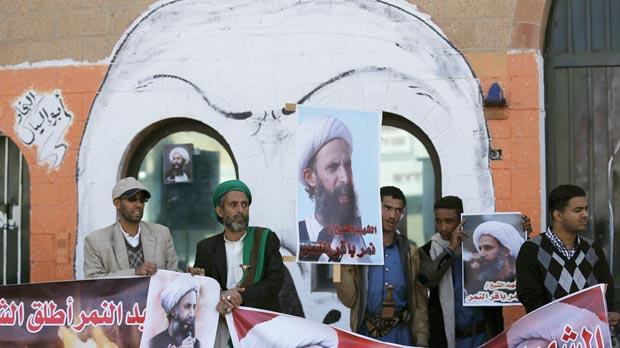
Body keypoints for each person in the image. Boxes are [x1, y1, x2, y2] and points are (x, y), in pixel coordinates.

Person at [418, 196, 532, 348]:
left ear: (461, 220)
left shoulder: (480, 249)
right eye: (438, 221)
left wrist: (523, 234)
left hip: (483, 334)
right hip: (449, 338)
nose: (443, 227)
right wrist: (450, 248)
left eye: (449, 221)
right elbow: (428, 279)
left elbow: (514, 267)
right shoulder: (428, 250)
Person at [336, 186, 428, 346]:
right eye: (387, 208)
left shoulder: (409, 251)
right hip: (366, 334)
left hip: (401, 333)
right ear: (375, 207)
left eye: (398, 210)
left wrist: (421, 339)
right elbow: (349, 300)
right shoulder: (359, 249)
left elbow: (419, 302)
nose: (393, 216)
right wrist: (339, 262)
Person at [516, 184, 619, 327]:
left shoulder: (593, 249)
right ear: (558, 215)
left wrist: (611, 313)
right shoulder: (531, 250)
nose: (585, 215)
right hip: (551, 337)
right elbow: (531, 299)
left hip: (590, 337)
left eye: (586, 209)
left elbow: (606, 293)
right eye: (578, 210)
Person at [192, 180, 284, 313]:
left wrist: (237, 297)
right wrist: (194, 278)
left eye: (244, 204)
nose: (240, 210)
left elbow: (275, 282)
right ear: (220, 211)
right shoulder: (205, 248)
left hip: (259, 323)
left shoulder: (265, 238)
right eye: (233, 205)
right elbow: (202, 289)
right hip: (220, 321)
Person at [297, 115, 368, 263]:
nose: (345, 178)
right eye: (333, 167)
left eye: (348, 164)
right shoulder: (297, 235)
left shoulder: (365, 233)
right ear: (311, 178)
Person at [83, 177, 179, 278]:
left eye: (142, 200)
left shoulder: (162, 234)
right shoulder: (95, 241)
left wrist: (191, 276)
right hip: (118, 294)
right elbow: (92, 281)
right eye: (132, 199)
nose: (138, 204)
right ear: (117, 204)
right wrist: (134, 273)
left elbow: (174, 275)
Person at [149, 274, 201, 347]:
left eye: (194, 307)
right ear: (173, 310)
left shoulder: (197, 344)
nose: (192, 314)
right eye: (187, 306)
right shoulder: (153, 343)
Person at [470, 220, 524, 286]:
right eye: (480, 248)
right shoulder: (478, 283)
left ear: (505, 251)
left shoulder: (521, 280)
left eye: (488, 248)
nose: (481, 254)